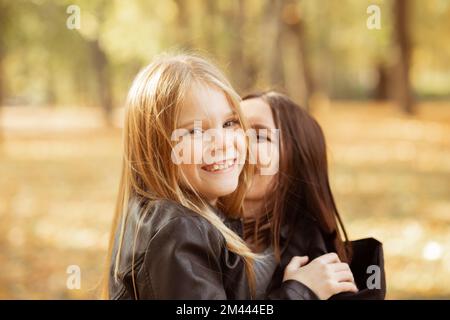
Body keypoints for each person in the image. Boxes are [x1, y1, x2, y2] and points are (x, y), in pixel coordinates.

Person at [241, 91, 385, 299]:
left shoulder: (322, 271)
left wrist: (300, 291)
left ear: (297, 163)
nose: (235, 143)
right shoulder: (189, 230)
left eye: (259, 135)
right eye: (231, 127)